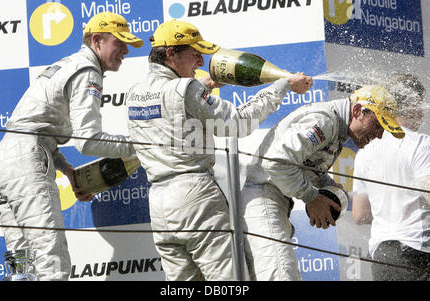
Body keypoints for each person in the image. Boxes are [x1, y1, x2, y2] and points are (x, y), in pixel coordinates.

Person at [125, 19, 312, 281]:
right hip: (195, 197)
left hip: (158, 204)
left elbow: (172, 104)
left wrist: (207, 84)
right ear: (170, 53)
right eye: (194, 54)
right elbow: (237, 123)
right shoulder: (185, 89)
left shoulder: (135, 92)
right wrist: (282, 87)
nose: (200, 62)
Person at [0, 12, 143, 281]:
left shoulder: (67, 64)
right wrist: (137, 146)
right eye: (120, 42)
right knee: (51, 262)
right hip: (26, 161)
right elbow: (88, 141)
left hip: (3, 161)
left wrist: (68, 171)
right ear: (97, 40)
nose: (126, 50)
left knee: (22, 268)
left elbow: (33, 129)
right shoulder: (88, 71)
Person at [242, 84, 404, 280]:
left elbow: (302, 164)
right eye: (377, 124)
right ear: (357, 111)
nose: (379, 134)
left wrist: (327, 184)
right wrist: (312, 197)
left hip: (268, 198)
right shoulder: (325, 121)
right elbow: (276, 162)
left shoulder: (335, 128)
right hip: (263, 198)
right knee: (281, 274)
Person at [352, 74, 430, 280]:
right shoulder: (420, 143)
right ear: (413, 103)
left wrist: (390, 212)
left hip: (382, 256)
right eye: (421, 104)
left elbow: (359, 214)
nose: (422, 112)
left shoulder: (365, 152)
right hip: (418, 252)